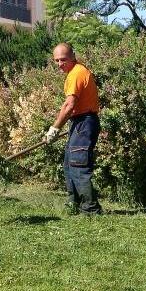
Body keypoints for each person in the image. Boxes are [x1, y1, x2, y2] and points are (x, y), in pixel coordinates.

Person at [45, 42, 102, 215]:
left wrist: (54, 129)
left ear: (73, 57)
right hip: (79, 122)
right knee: (70, 164)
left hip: (84, 122)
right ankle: (74, 204)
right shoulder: (73, 73)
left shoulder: (77, 73)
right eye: (56, 61)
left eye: (63, 59)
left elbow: (69, 105)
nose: (60, 64)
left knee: (78, 164)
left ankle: (90, 210)